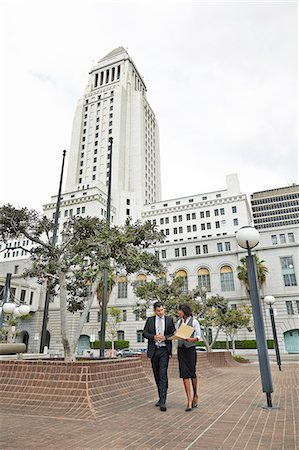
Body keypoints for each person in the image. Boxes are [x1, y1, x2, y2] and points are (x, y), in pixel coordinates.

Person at [143, 301, 175, 412]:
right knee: (156, 375)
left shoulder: (169, 320)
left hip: (164, 351)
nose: (161, 312)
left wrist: (165, 337)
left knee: (162, 374)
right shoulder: (150, 320)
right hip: (154, 351)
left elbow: (173, 334)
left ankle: (163, 400)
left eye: (162, 310)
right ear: (155, 311)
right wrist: (154, 337)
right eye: (158, 310)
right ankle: (160, 396)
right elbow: (144, 333)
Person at [176, 303, 201, 412]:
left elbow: (198, 337)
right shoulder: (179, 322)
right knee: (184, 374)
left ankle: (195, 394)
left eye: (179, 311)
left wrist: (191, 340)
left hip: (190, 350)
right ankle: (189, 400)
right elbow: (177, 334)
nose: (178, 312)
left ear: (184, 311)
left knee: (192, 373)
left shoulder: (194, 322)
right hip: (181, 350)